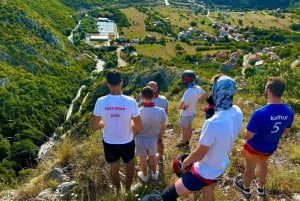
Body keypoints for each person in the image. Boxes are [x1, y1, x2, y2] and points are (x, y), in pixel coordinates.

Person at [162, 74, 243, 201]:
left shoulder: (213, 122)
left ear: (216, 91)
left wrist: (185, 163)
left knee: (167, 195)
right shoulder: (237, 111)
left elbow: (199, 155)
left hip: (204, 171)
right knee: (208, 190)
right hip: (221, 164)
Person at [234, 77, 294, 198]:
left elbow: (248, 135)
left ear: (270, 90)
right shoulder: (288, 110)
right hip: (270, 146)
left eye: (266, 87)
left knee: (250, 168)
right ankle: (260, 188)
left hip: (254, 146)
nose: (264, 89)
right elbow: (286, 131)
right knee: (263, 164)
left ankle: (246, 188)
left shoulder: (260, 113)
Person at [91, 69, 143, 192]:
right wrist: (132, 129)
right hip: (126, 141)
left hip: (109, 142)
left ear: (107, 83)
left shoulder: (100, 101)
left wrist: (105, 122)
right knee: (129, 165)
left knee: (113, 167)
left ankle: (117, 190)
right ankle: (128, 189)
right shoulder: (131, 102)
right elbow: (139, 126)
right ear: (121, 82)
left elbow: (94, 126)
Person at [136, 86, 167, 182]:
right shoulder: (161, 111)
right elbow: (163, 126)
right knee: (153, 156)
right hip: (154, 138)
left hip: (140, 138)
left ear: (142, 97)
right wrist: (160, 137)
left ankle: (144, 176)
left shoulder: (138, 112)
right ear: (153, 96)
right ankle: (154, 174)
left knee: (142, 159)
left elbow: (134, 127)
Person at [176, 70, 207, 149]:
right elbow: (205, 94)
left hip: (185, 114)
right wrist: (197, 100)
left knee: (184, 130)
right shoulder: (197, 88)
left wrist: (183, 106)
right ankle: (187, 142)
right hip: (192, 112)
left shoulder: (188, 91)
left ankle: (183, 143)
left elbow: (180, 106)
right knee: (189, 128)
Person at [147, 81, 168, 163]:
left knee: (159, 141)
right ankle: (150, 157)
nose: (152, 88)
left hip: (159, 124)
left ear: (157, 88)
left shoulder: (163, 99)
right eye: (150, 87)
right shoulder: (144, 98)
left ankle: (160, 156)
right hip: (148, 124)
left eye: (153, 87)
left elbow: (166, 111)